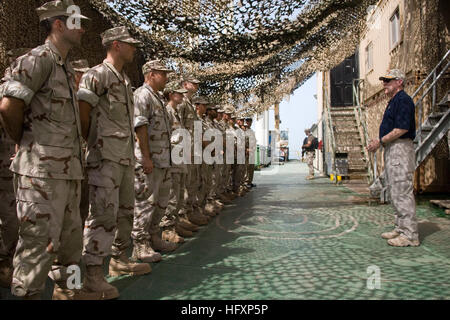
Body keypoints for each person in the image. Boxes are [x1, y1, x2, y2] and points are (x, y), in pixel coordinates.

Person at [0, 0, 93, 299]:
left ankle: (70, 291)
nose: (82, 29)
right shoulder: (37, 60)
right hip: (40, 173)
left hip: (67, 171)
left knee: (70, 242)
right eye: (77, 23)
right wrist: (24, 141)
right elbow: (8, 106)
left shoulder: (64, 68)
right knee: (37, 244)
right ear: (58, 24)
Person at [78, 26, 151, 300]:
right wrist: (93, 142)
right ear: (116, 45)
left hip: (123, 157)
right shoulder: (97, 74)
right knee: (102, 215)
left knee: (125, 212)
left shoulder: (123, 79)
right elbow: (83, 112)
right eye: (130, 44)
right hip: (104, 158)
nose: (134, 49)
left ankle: (119, 259)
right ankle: (93, 276)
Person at [131, 60, 178, 264]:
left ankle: (153, 237)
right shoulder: (142, 95)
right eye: (163, 73)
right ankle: (140, 246)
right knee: (145, 203)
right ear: (151, 74)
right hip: (150, 162)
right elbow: (139, 128)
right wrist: (146, 158)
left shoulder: (157, 98)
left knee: (160, 203)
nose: (166, 77)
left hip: (163, 161)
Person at [367, 69, 419, 247]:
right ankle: (400, 227)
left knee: (401, 192)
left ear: (399, 82)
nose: (384, 84)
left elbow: (402, 128)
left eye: (388, 81)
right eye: (383, 81)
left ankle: (410, 235)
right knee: (394, 191)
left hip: (400, 148)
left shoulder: (403, 100)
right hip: (392, 148)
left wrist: (380, 141)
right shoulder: (394, 101)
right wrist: (380, 141)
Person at [161, 81, 193, 239]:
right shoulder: (166, 111)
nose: (181, 96)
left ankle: (176, 224)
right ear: (171, 94)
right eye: (179, 93)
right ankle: (167, 229)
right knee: (172, 195)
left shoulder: (176, 113)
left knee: (180, 193)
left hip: (180, 159)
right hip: (172, 160)